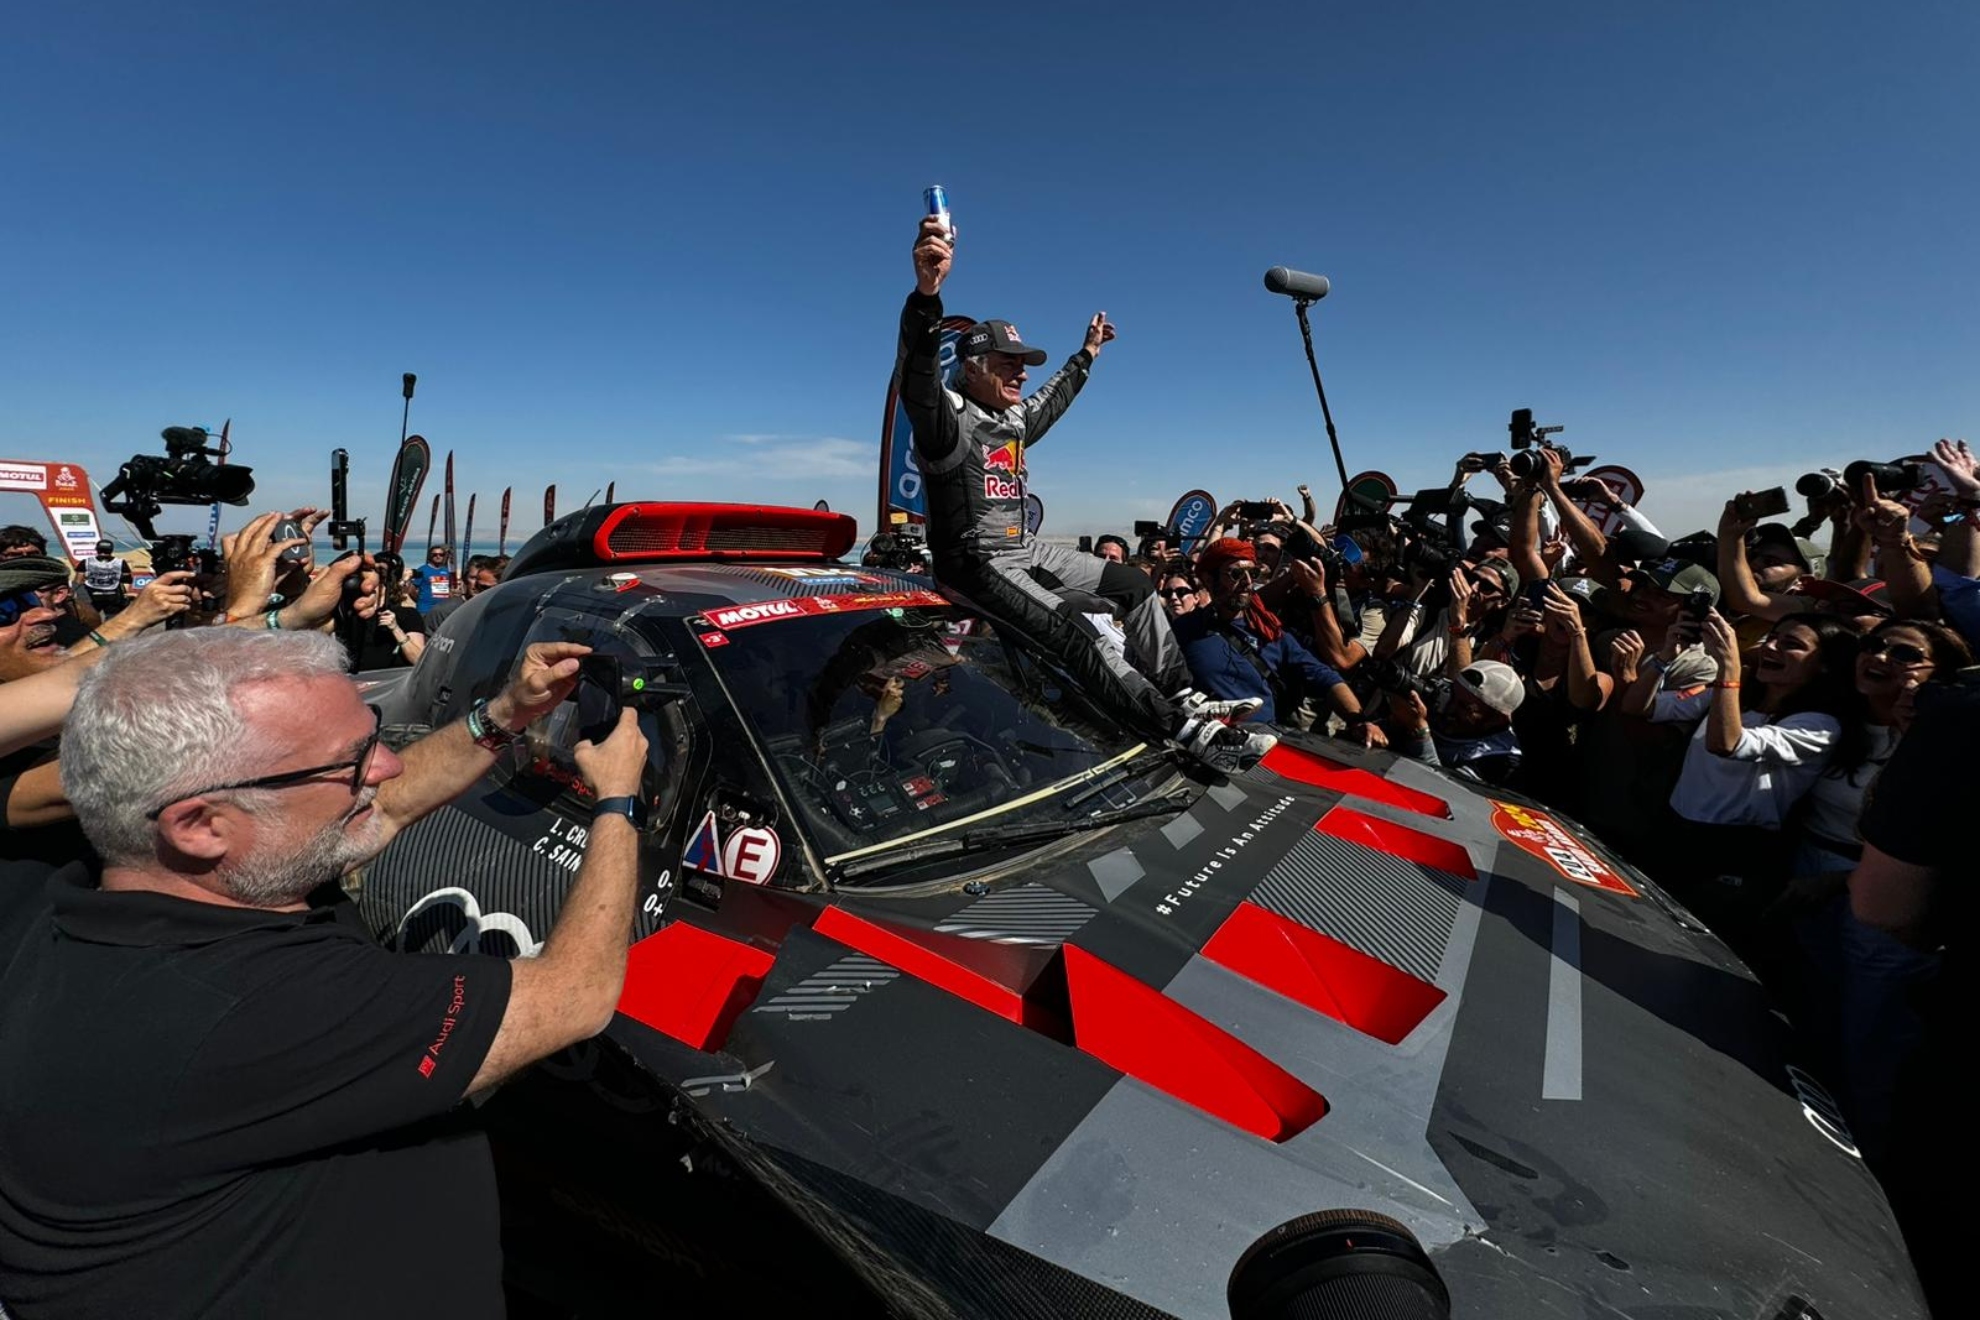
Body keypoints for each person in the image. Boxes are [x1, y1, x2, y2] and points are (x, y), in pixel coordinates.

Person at [0, 627, 653, 1317]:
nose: (386, 769)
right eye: (350, 763)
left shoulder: (88, 908)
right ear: (199, 826)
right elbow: (573, 996)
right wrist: (620, 801)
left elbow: (380, 810)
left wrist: (502, 717)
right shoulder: (251, 1008)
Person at [895, 214, 1269, 770]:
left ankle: (1184, 695)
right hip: (974, 562)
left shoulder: (1014, 421)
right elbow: (919, 378)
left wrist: (1087, 354)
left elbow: (1051, 399)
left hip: (1023, 551)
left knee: (1135, 585)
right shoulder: (947, 420)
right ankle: (1182, 730)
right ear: (971, 370)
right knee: (1076, 631)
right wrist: (928, 295)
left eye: (1023, 365)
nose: (1021, 374)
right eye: (1008, 364)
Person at [1617, 611, 1860, 952]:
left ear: (1824, 665)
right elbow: (1637, 706)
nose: (1772, 647)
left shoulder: (1819, 725)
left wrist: (1728, 670)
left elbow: (1727, 743)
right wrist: (1664, 658)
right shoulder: (1734, 694)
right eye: (1773, 637)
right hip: (1672, 834)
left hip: (1730, 855)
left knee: (1684, 951)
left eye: (1792, 645)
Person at [1174, 539, 1361, 730]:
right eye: (1236, 574)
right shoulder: (1184, 630)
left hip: (1261, 742)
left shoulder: (1270, 632)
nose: (1247, 582)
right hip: (1203, 740)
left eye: (1253, 573)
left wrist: (1358, 721)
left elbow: (1324, 677)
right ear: (1208, 579)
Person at [1384, 658, 1527, 786]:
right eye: (1451, 694)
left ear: (1496, 719)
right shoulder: (1438, 703)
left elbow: (1444, 790)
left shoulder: (1502, 758)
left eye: (1464, 707)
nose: (1450, 708)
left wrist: (1419, 730)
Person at [426, 553, 500, 629]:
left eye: (483, 580)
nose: (478, 584)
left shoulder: (500, 610)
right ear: (465, 579)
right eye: (473, 578)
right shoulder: (443, 611)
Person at [80, 539, 133, 617]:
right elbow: (127, 580)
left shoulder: (87, 561)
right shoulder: (120, 562)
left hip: (91, 595)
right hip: (113, 596)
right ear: (111, 550)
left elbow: (78, 581)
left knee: (88, 619)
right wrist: (125, 594)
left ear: (97, 549)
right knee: (111, 621)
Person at [409, 544, 453, 612]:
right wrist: (421, 602)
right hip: (425, 610)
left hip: (442, 610)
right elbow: (411, 590)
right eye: (435, 554)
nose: (438, 556)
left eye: (441, 554)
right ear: (430, 556)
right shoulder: (422, 570)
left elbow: (448, 590)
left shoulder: (445, 570)